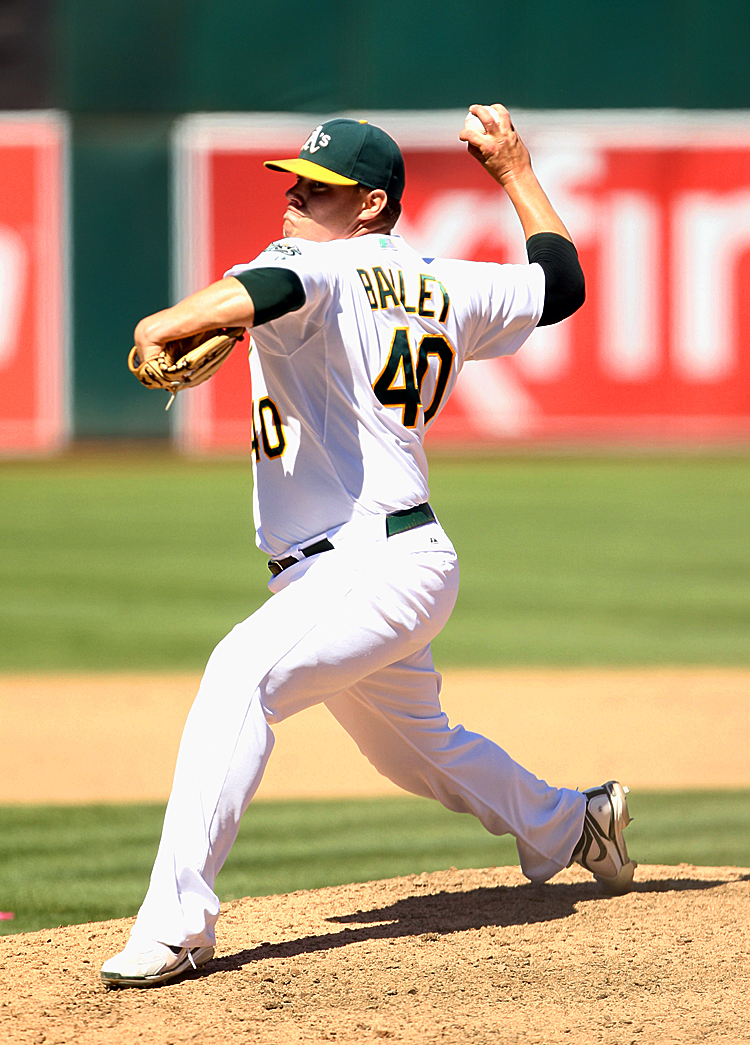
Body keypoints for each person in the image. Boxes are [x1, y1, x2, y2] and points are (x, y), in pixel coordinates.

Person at [101, 105, 635, 988]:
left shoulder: (314, 263)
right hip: (391, 563)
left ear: (371, 204)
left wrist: (169, 319)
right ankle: (578, 823)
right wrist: (514, 172)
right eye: (297, 181)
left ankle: (176, 925)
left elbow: (272, 290)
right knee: (417, 751)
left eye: (322, 189)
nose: (297, 196)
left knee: (239, 676)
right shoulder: (445, 282)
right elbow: (561, 284)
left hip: (367, 561)